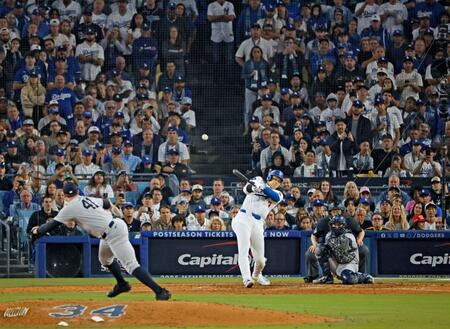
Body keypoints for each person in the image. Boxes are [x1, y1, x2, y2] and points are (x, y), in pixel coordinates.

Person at [31, 182, 171, 300]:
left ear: (66, 196)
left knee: (131, 265)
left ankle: (160, 291)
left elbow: (51, 225)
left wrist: (37, 231)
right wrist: (112, 212)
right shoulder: (86, 198)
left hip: (112, 232)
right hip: (111, 228)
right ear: (77, 192)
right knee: (104, 260)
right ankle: (122, 284)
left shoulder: (69, 207)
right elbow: (105, 202)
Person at [232, 170, 284, 288]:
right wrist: (254, 188)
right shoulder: (259, 180)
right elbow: (246, 189)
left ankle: (257, 275)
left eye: (278, 181)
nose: (275, 182)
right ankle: (247, 279)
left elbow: (274, 196)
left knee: (261, 260)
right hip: (243, 218)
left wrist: (263, 188)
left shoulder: (279, 194)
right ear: (269, 177)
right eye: (274, 179)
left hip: (258, 222)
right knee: (243, 250)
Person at [322, 216, 374, 284]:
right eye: (334, 224)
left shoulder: (349, 236)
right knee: (321, 249)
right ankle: (327, 276)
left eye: (339, 224)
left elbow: (341, 251)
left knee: (348, 280)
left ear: (343, 225)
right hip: (337, 261)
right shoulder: (328, 236)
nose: (336, 226)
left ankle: (363, 276)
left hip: (349, 262)